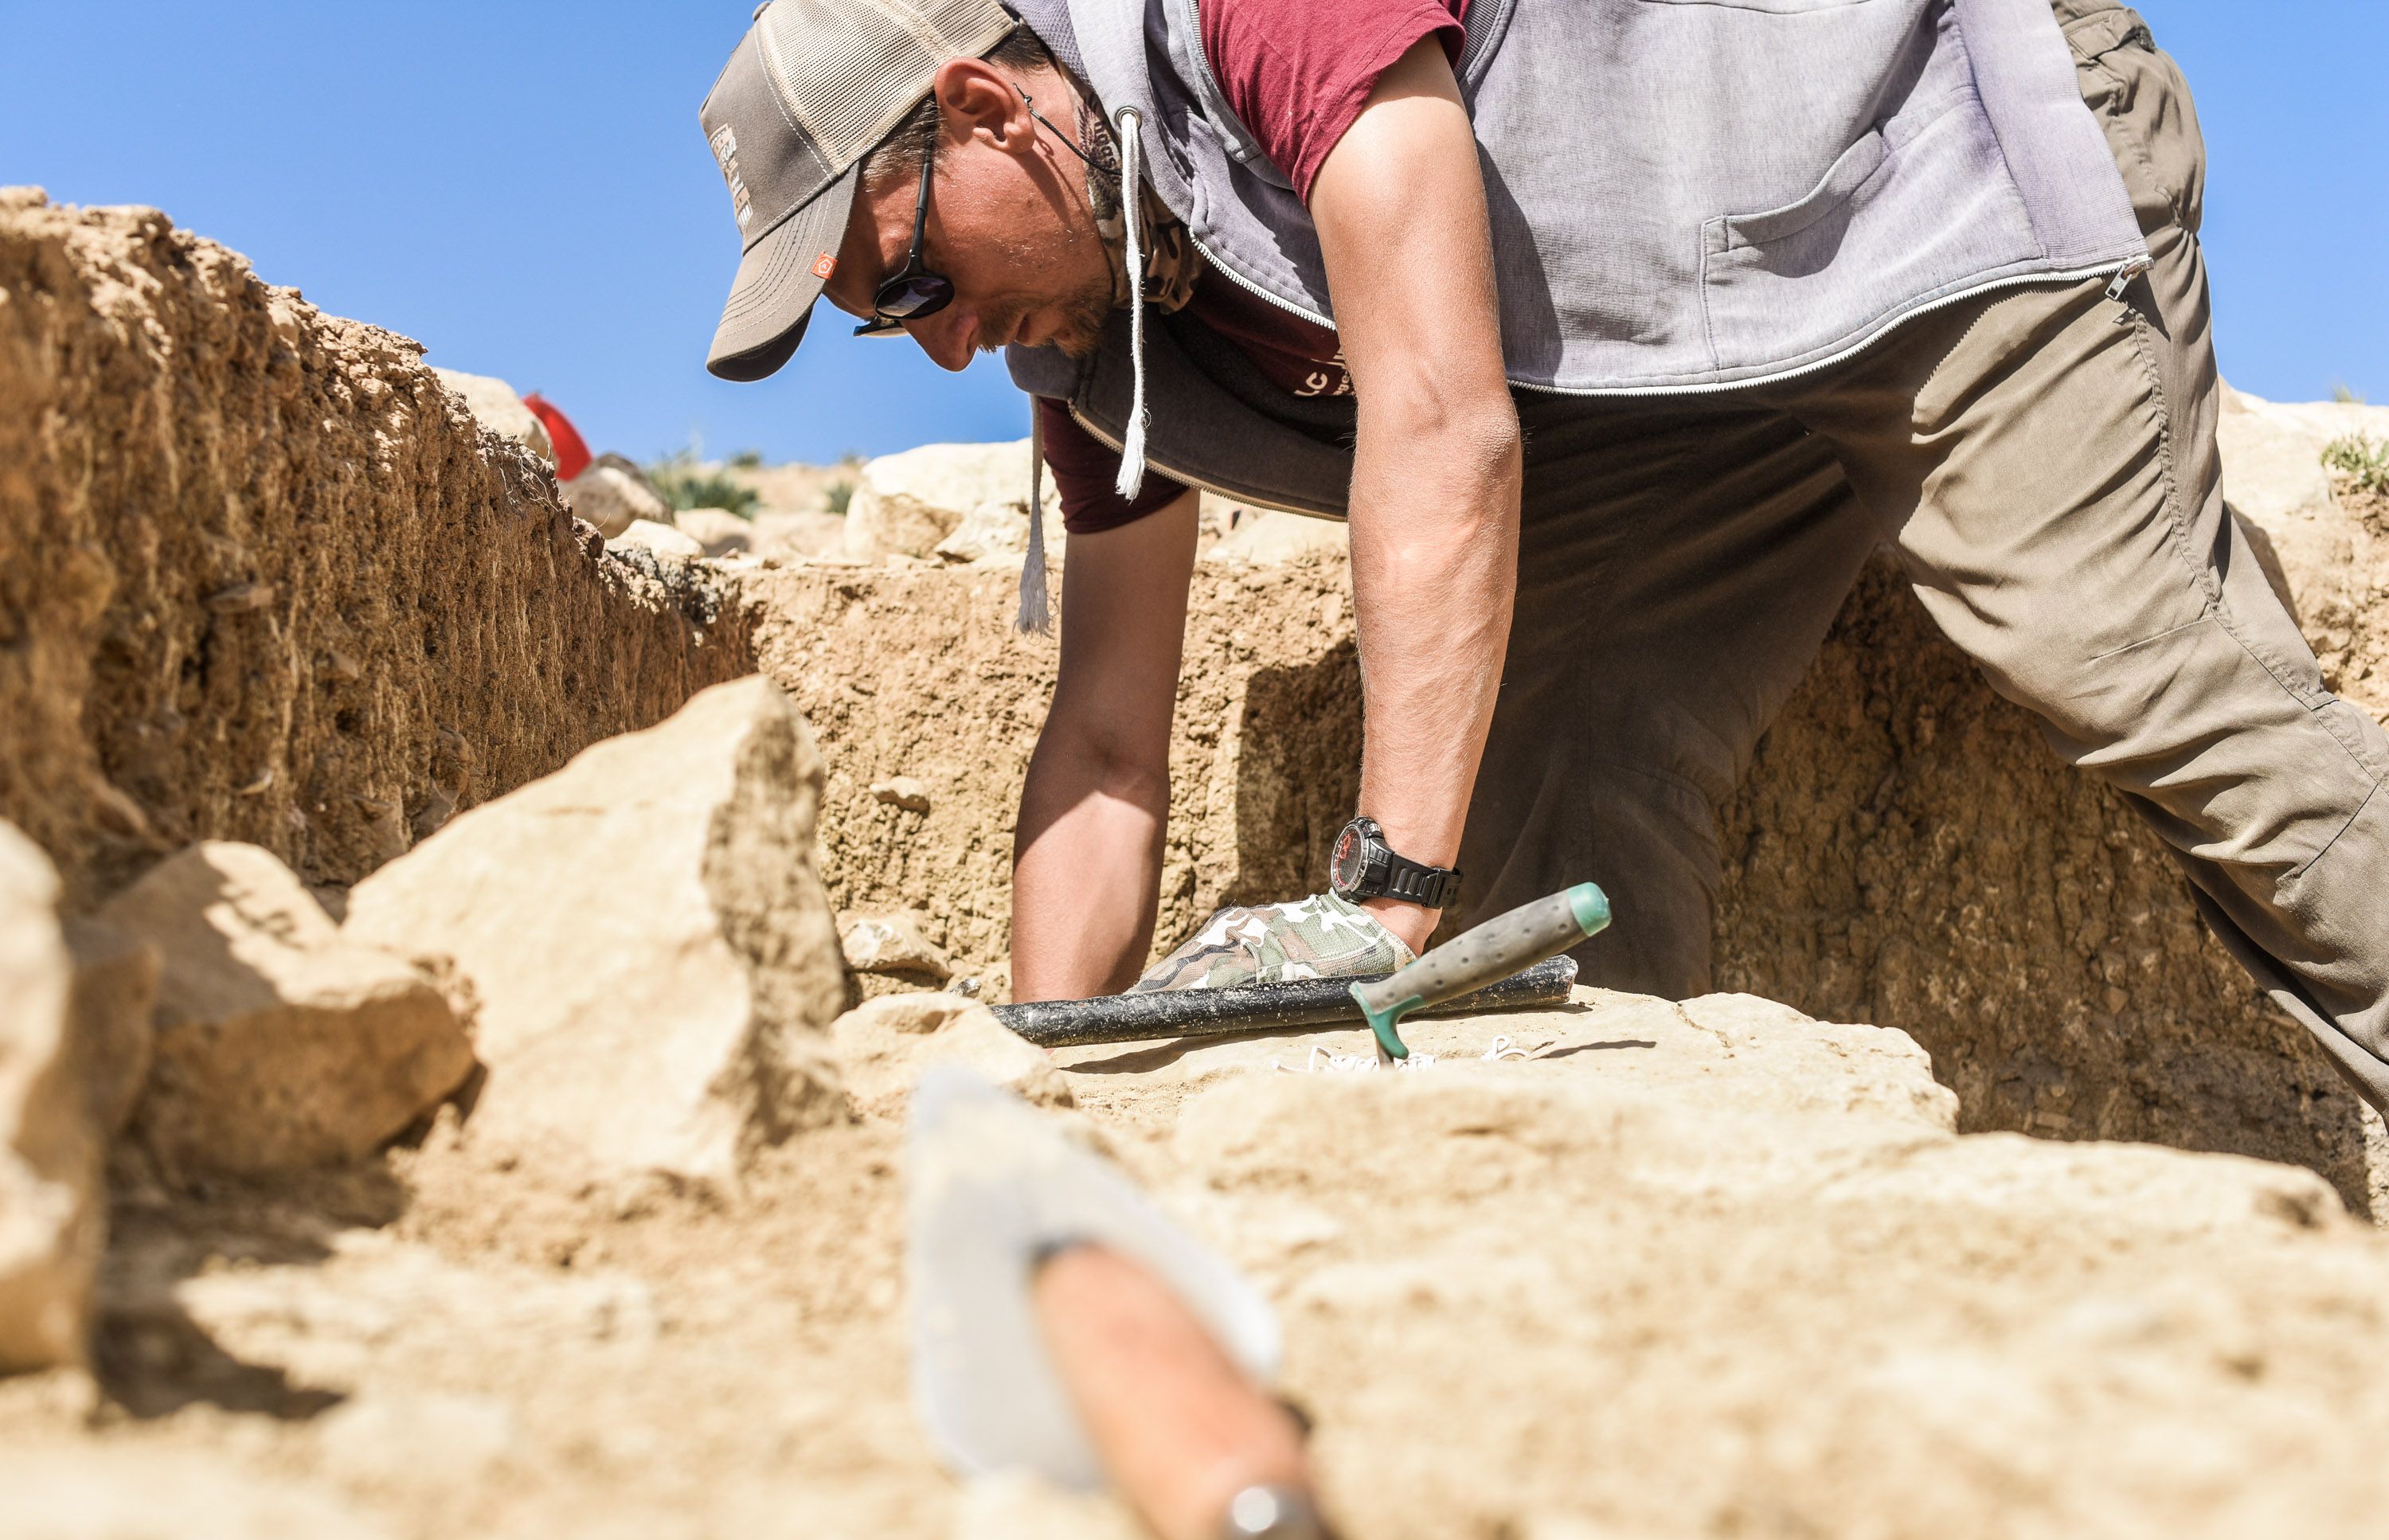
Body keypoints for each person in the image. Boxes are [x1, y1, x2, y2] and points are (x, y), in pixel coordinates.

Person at [694, 0, 2389, 1117]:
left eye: (910, 281)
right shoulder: (1106, 340)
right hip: (1689, 365)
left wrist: (1372, 906)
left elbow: (1446, 425)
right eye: (883, 331)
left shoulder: (1252, 13)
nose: (941, 349)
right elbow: (1110, 736)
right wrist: (1031, 1088)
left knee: (2130, 652)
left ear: (980, 105)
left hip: (1938, 178)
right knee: (1545, 815)